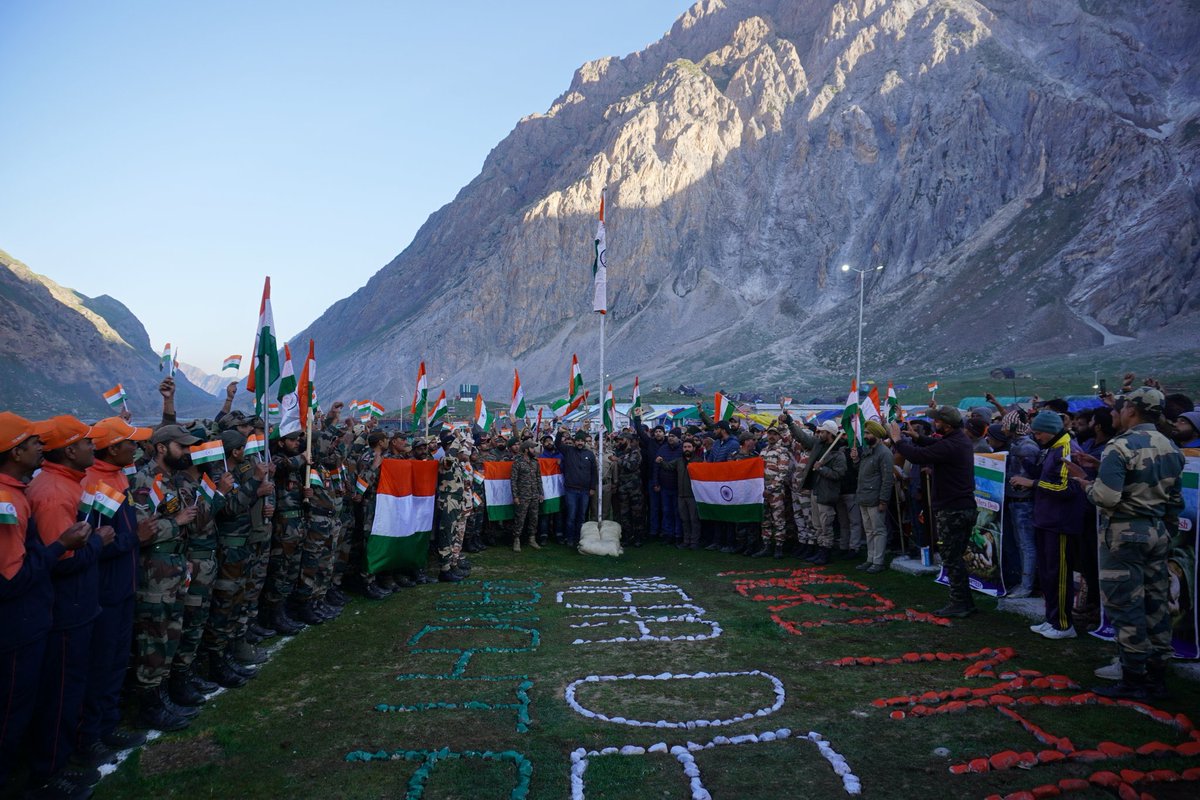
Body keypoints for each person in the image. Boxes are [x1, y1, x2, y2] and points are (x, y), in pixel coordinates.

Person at [0, 413, 91, 798]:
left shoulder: (17, 491)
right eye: (34, 442)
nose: (42, 447)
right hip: (18, 628)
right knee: (10, 716)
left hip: (30, 622)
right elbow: (12, 579)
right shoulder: (7, 501)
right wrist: (62, 546)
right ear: (16, 450)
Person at [1078, 387, 1184, 699]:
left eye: (1121, 409)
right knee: (1156, 604)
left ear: (1132, 411)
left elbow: (1106, 497)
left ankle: (1133, 677)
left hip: (1123, 534)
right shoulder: (1170, 445)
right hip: (1157, 532)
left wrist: (1087, 485)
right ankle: (1157, 674)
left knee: (1126, 606)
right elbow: (1174, 500)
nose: (1118, 413)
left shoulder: (1119, 446)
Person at [25, 416, 110, 794]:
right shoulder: (54, 494)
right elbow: (59, 560)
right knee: (61, 692)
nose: (95, 448)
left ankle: (66, 755)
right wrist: (99, 542)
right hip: (66, 611)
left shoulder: (67, 484)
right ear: (71, 450)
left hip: (78, 606)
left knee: (72, 686)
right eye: (88, 443)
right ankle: (49, 773)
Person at [77, 418, 154, 763]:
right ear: (112, 448)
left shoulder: (117, 476)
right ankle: (89, 736)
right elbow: (91, 544)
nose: (136, 449)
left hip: (123, 585)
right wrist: (133, 539)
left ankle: (107, 724)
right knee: (101, 662)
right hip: (104, 591)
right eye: (130, 443)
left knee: (116, 660)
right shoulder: (92, 483)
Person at [128, 424, 201, 732]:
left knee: (170, 635)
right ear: (161, 448)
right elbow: (141, 531)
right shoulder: (143, 481)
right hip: (154, 572)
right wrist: (177, 522)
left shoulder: (172, 478)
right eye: (180, 446)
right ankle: (148, 705)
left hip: (173, 566)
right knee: (154, 640)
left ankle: (163, 695)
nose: (186, 451)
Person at [889, 407, 977, 618]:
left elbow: (919, 456)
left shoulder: (953, 444)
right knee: (955, 556)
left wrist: (898, 440)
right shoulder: (957, 439)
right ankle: (964, 600)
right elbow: (935, 444)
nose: (933, 422)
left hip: (953, 509)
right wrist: (918, 437)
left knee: (951, 557)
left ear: (945, 424)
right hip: (961, 506)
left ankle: (960, 603)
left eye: (936, 420)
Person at [1011, 411, 1083, 639]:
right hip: (1045, 519)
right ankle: (1051, 619)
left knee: (1059, 574)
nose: (1036, 436)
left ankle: (1064, 624)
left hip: (1060, 522)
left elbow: (1068, 487)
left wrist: (1031, 482)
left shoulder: (1067, 449)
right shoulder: (1052, 448)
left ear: (1051, 430)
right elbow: (1048, 478)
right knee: (1049, 574)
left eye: (1039, 432)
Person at [855, 421, 895, 573]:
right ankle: (870, 559)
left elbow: (887, 479)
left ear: (876, 435)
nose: (865, 436)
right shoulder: (868, 451)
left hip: (875, 499)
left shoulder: (884, 453)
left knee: (878, 530)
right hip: (864, 497)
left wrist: (883, 500)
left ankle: (878, 561)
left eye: (867, 433)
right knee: (869, 531)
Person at [559, 431, 597, 546]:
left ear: (585, 442)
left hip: (585, 491)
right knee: (571, 515)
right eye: (578, 441)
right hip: (571, 490)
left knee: (581, 516)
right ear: (575, 442)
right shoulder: (569, 451)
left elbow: (593, 472)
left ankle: (579, 538)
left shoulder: (590, 454)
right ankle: (570, 538)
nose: (580, 443)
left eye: (582, 441)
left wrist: (592, 487)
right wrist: (560, 433)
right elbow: (557, 444)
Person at [510, 441, 543, 552]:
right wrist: (515, 496)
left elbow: (539, 478)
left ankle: (532, 538)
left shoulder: (535, 462)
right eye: (532, 448)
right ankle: (516, 539)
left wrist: (541, 493)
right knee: (520, 518)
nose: (534, 450)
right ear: (526, 450)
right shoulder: (517, 462)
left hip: (534, 494)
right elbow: (513, 480)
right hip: (522, 495)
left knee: (534, 517)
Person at [613, 432, 645, 546]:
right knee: (624, 513)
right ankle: (627, 536)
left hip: (634, 488)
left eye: (621, 440)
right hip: (622, 488)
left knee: (637, 513)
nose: (619, 442)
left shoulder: (635, 452)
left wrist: (618, 460)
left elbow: (632, 466)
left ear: (628, 440)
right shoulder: (620, 452)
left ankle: (638, 537)